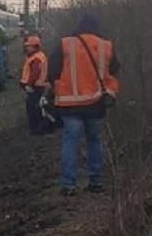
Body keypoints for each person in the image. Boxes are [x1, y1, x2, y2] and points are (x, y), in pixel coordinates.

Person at [48, 14, 120, 196]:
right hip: (96, 103)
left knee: (70, 142)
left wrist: (57, 87)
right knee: (95, 141)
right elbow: (114, 68)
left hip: (70, 104)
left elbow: (52, 70)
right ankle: (96, 181)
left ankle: (68, 185)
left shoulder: (65, 44)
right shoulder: (105, 46)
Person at [21, 36, 49, 134]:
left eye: (29, 46)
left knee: (34, 109)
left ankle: (36, 129)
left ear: (35, 47)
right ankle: (39, 128)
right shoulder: (37, 56)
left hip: (35, 87)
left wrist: (29, 85)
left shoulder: (36, 58)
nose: (27, 48)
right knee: (38, 108)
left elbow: (35, 73)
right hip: (38, 86)